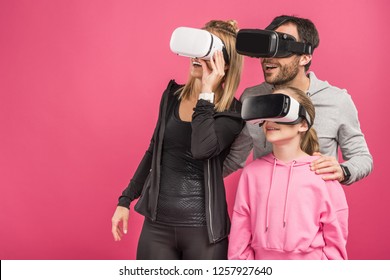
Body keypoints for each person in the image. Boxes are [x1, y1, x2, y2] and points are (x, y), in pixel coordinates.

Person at [111, 20, 244, 260]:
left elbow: (202, 149)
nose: (196, 56)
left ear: (223, 63)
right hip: (157, 226)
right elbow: (154, 150)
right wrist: (125, 199)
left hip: (204, 232)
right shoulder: (171, 96)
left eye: (206, 52)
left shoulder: (233, 112)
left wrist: (206, 93)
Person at [224, 15, 373, 185]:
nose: (268, 59)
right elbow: (235, 158)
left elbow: (362, 157)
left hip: (313, 204)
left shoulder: (337, 101)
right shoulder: (253, 97)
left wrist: (344, 170)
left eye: (280, 49)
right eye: (267, 49)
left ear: (305, 57)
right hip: (265, 203)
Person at [228, 86, 348, 260]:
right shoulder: (251, 174)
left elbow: (335, 241)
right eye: (268, 113)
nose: (271, 120)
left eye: (280, 112)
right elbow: (240, 236)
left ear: (303, 124)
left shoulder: (323, 172)